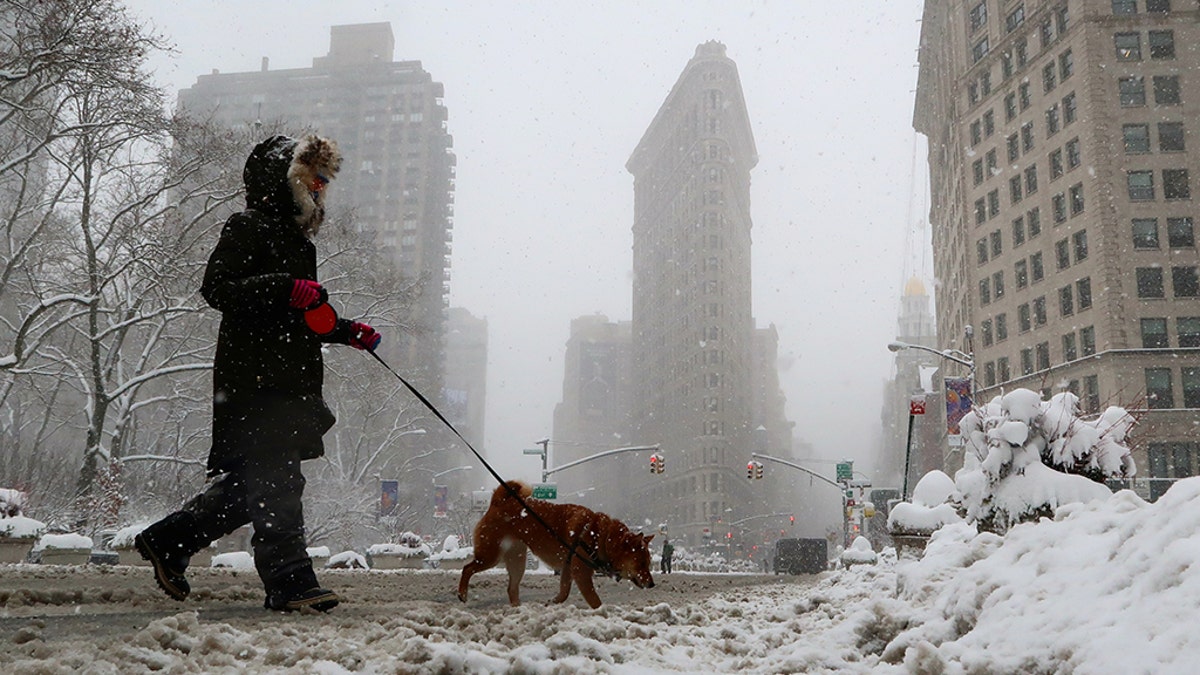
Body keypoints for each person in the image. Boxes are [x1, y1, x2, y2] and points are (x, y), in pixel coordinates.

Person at [135, 134, 381, 613]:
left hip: (289, 382)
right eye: (313, 175)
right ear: (284, 179)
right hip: (256, 384)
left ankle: (169, 540)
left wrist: (346, 330)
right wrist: (286, 287)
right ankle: (290, 581)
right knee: (279, 485)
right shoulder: (247, 226)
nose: (320, 185)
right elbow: (219, 288)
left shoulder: (296, 240)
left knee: (256, 487)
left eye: (324, 179)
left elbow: (298, 315)